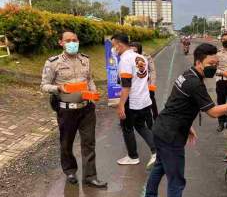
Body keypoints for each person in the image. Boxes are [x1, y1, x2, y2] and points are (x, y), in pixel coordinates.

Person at [142, 43, 227, 197]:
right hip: (170, 135)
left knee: (160, 165)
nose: (214, 66)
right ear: (199, 62)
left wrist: (188, 125)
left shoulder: (188, 74)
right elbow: (214, 112)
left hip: (163, 128)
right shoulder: (194, 82)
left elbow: (176, 102)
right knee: (176, 179)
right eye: (211, 63)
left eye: (216, 63)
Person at [41, 30, 107, 188]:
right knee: (66, 142)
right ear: (61, 43)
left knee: (89, 143)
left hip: (86, 109)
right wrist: (59, 88)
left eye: (75, 40)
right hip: (66, 111)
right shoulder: (53, 62)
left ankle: (90, 176)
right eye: (68, 40)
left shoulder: (85, 59)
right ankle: (70, 170)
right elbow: (44, 86)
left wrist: (93, 92)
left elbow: (89, 79)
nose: (72, 43)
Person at [112, 34, 157, 168]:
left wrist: (121, 106)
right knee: (141, 126)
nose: (113, 49)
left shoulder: (125, 60)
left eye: (114, 45)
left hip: (131, 101)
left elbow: (126, 86)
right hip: (144, 99)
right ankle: (156, 150)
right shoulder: (140, 57)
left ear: (119, 44)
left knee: (127, 128)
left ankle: (132, 156)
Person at [131, 42, 158, 128]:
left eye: (135, 50)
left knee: (150, 100)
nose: (133, 52)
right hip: (135, 86)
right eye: (131, 50)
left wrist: (152, 85)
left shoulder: (146, 57)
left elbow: (152, 71)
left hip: (147, 84)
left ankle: (155, 117)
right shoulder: (129, 58)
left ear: (139, 49)